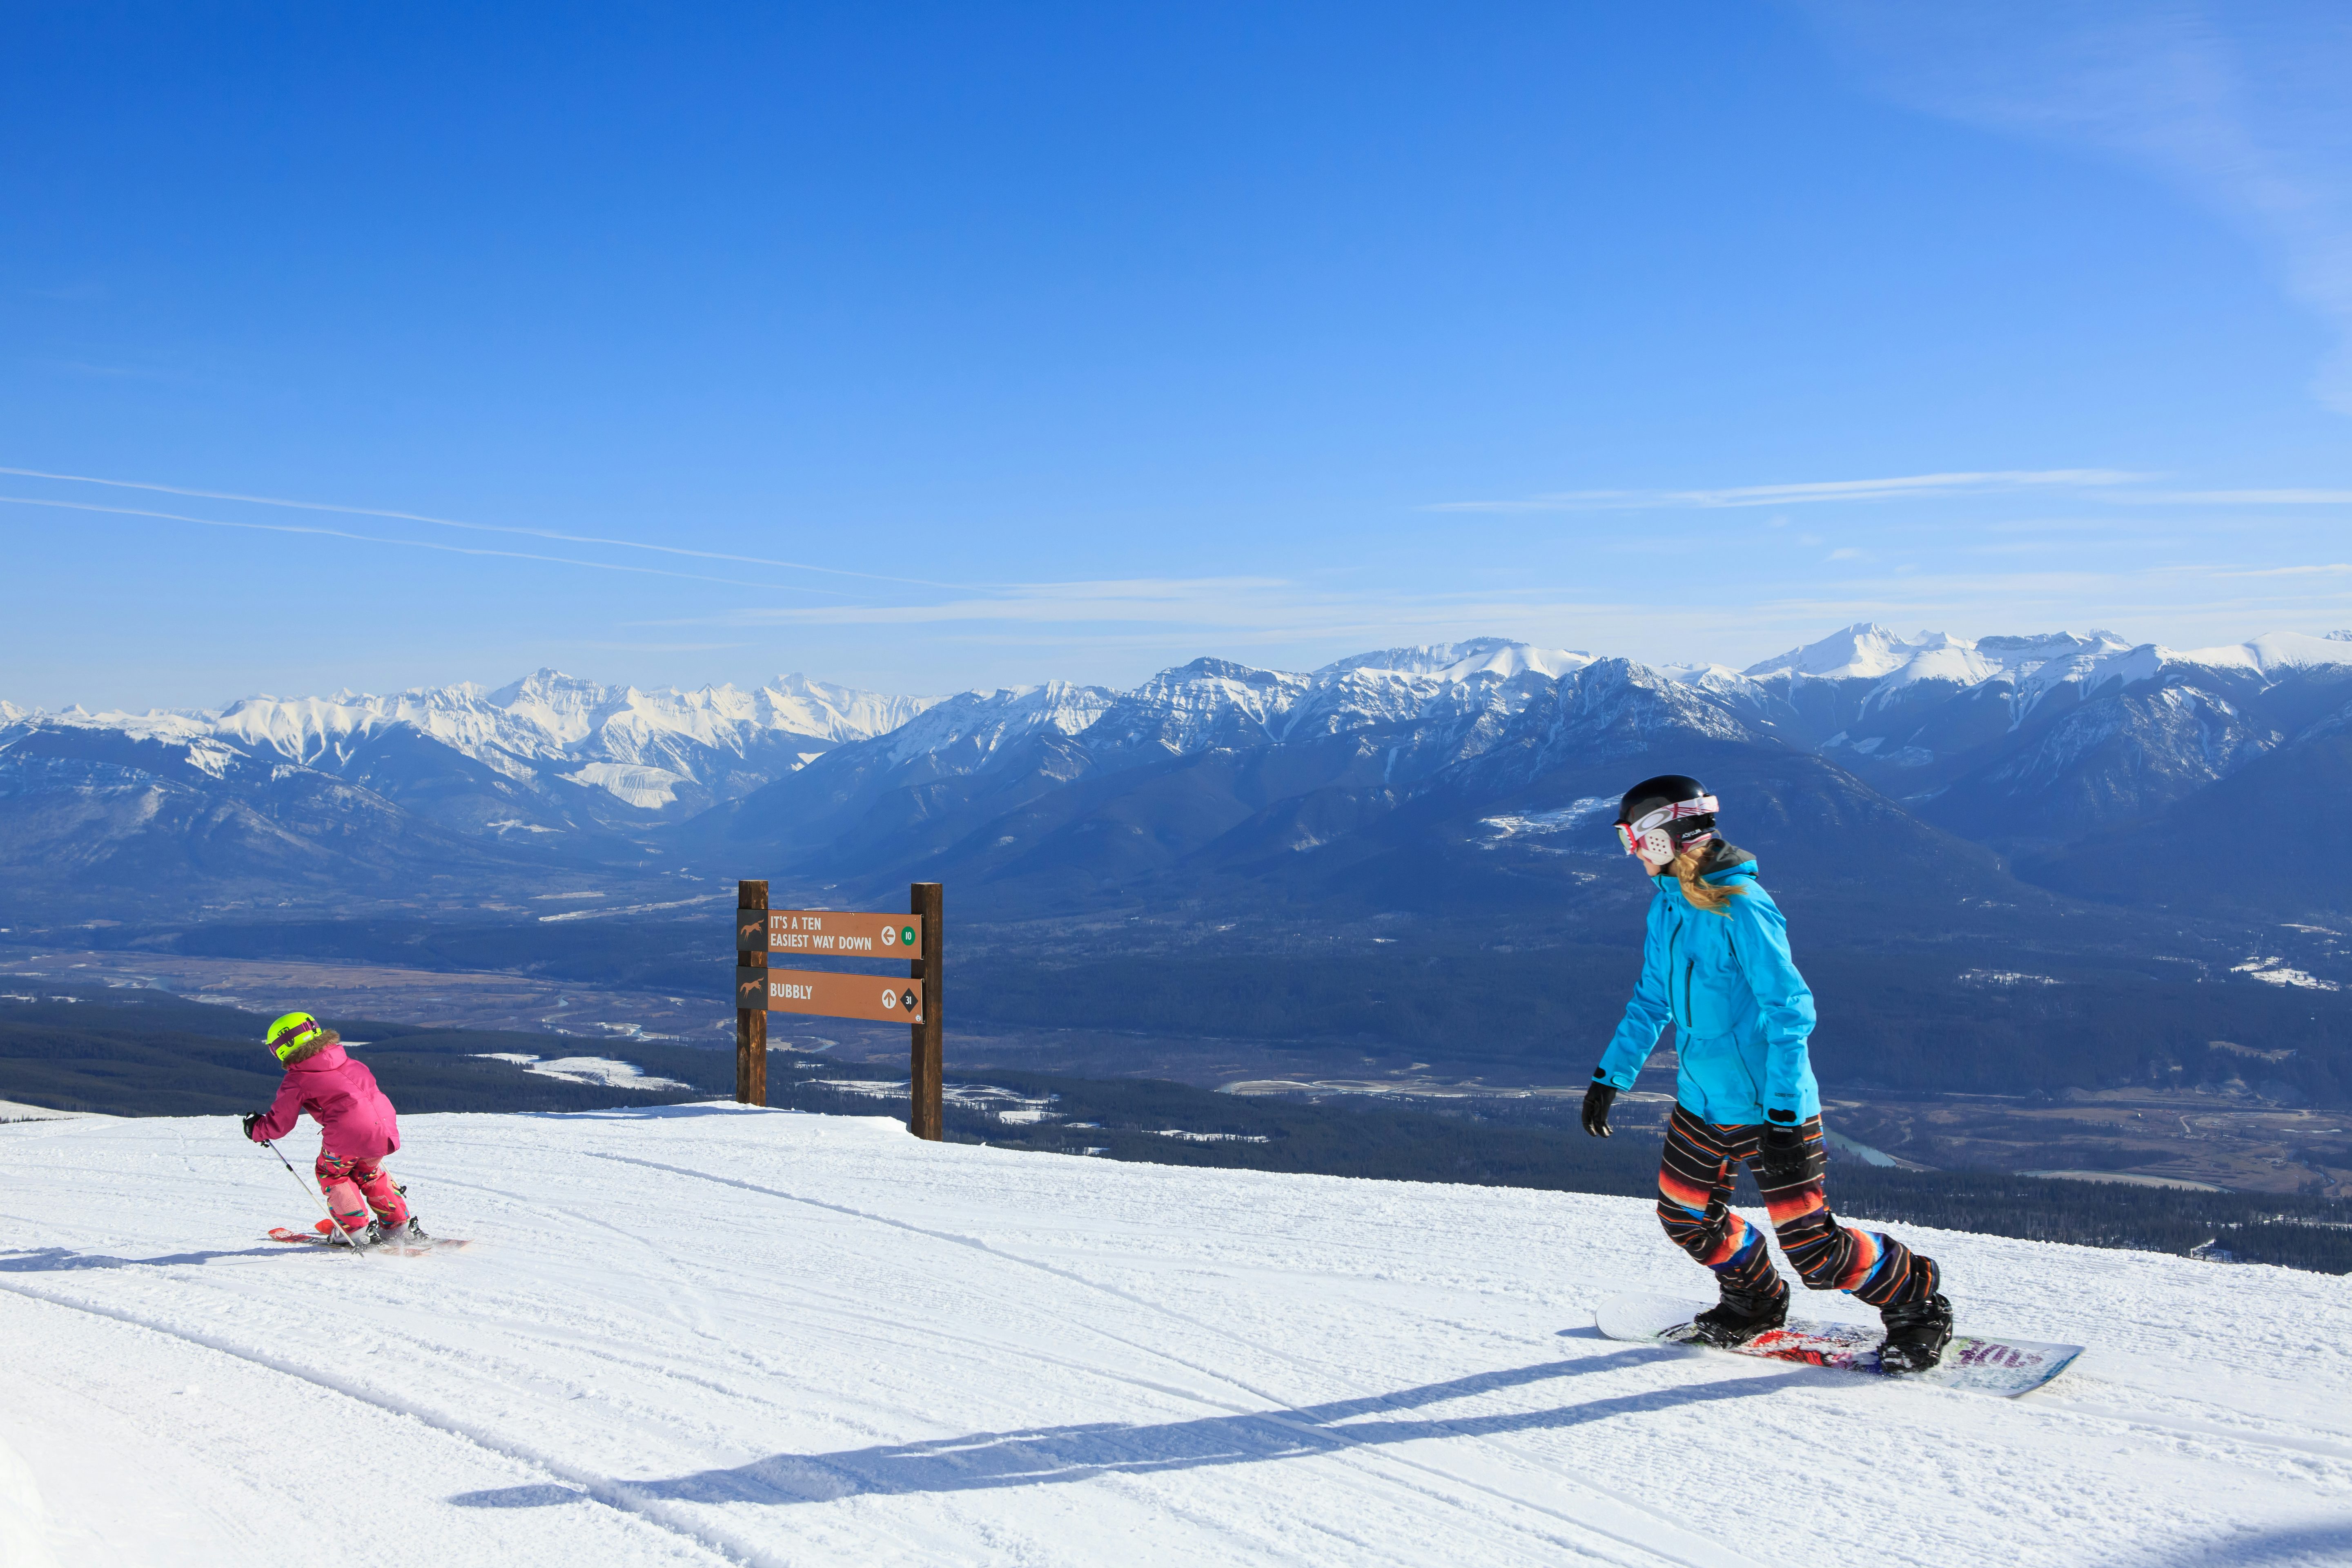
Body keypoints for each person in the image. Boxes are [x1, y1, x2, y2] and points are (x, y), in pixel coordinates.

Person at [1579, 774, 1953, 1371]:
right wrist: (1610, 1078)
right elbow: (1651, 1000)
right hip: (1702, 1102)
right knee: (1686, 1217)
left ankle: (1918, 1303)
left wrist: (1782, 1115)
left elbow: (1790, 1012)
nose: (1631, 853)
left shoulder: (1742, 906)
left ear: (1665, 836)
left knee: (1815, 1252)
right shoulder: (1667, 908)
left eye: (1633, 839)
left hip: (1768, 1107)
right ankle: (1755, 1297)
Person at [241, 1011, 427, 1245]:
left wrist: (256, 1129)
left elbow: (281, 1123)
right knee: (369, 1174)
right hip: (384, 1130)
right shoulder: (351, 1062)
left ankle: (355, 1229)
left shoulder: (298, 1079)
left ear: (283, 1047)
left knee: (333, 1175)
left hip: (347, 1138)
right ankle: (398, 1225)